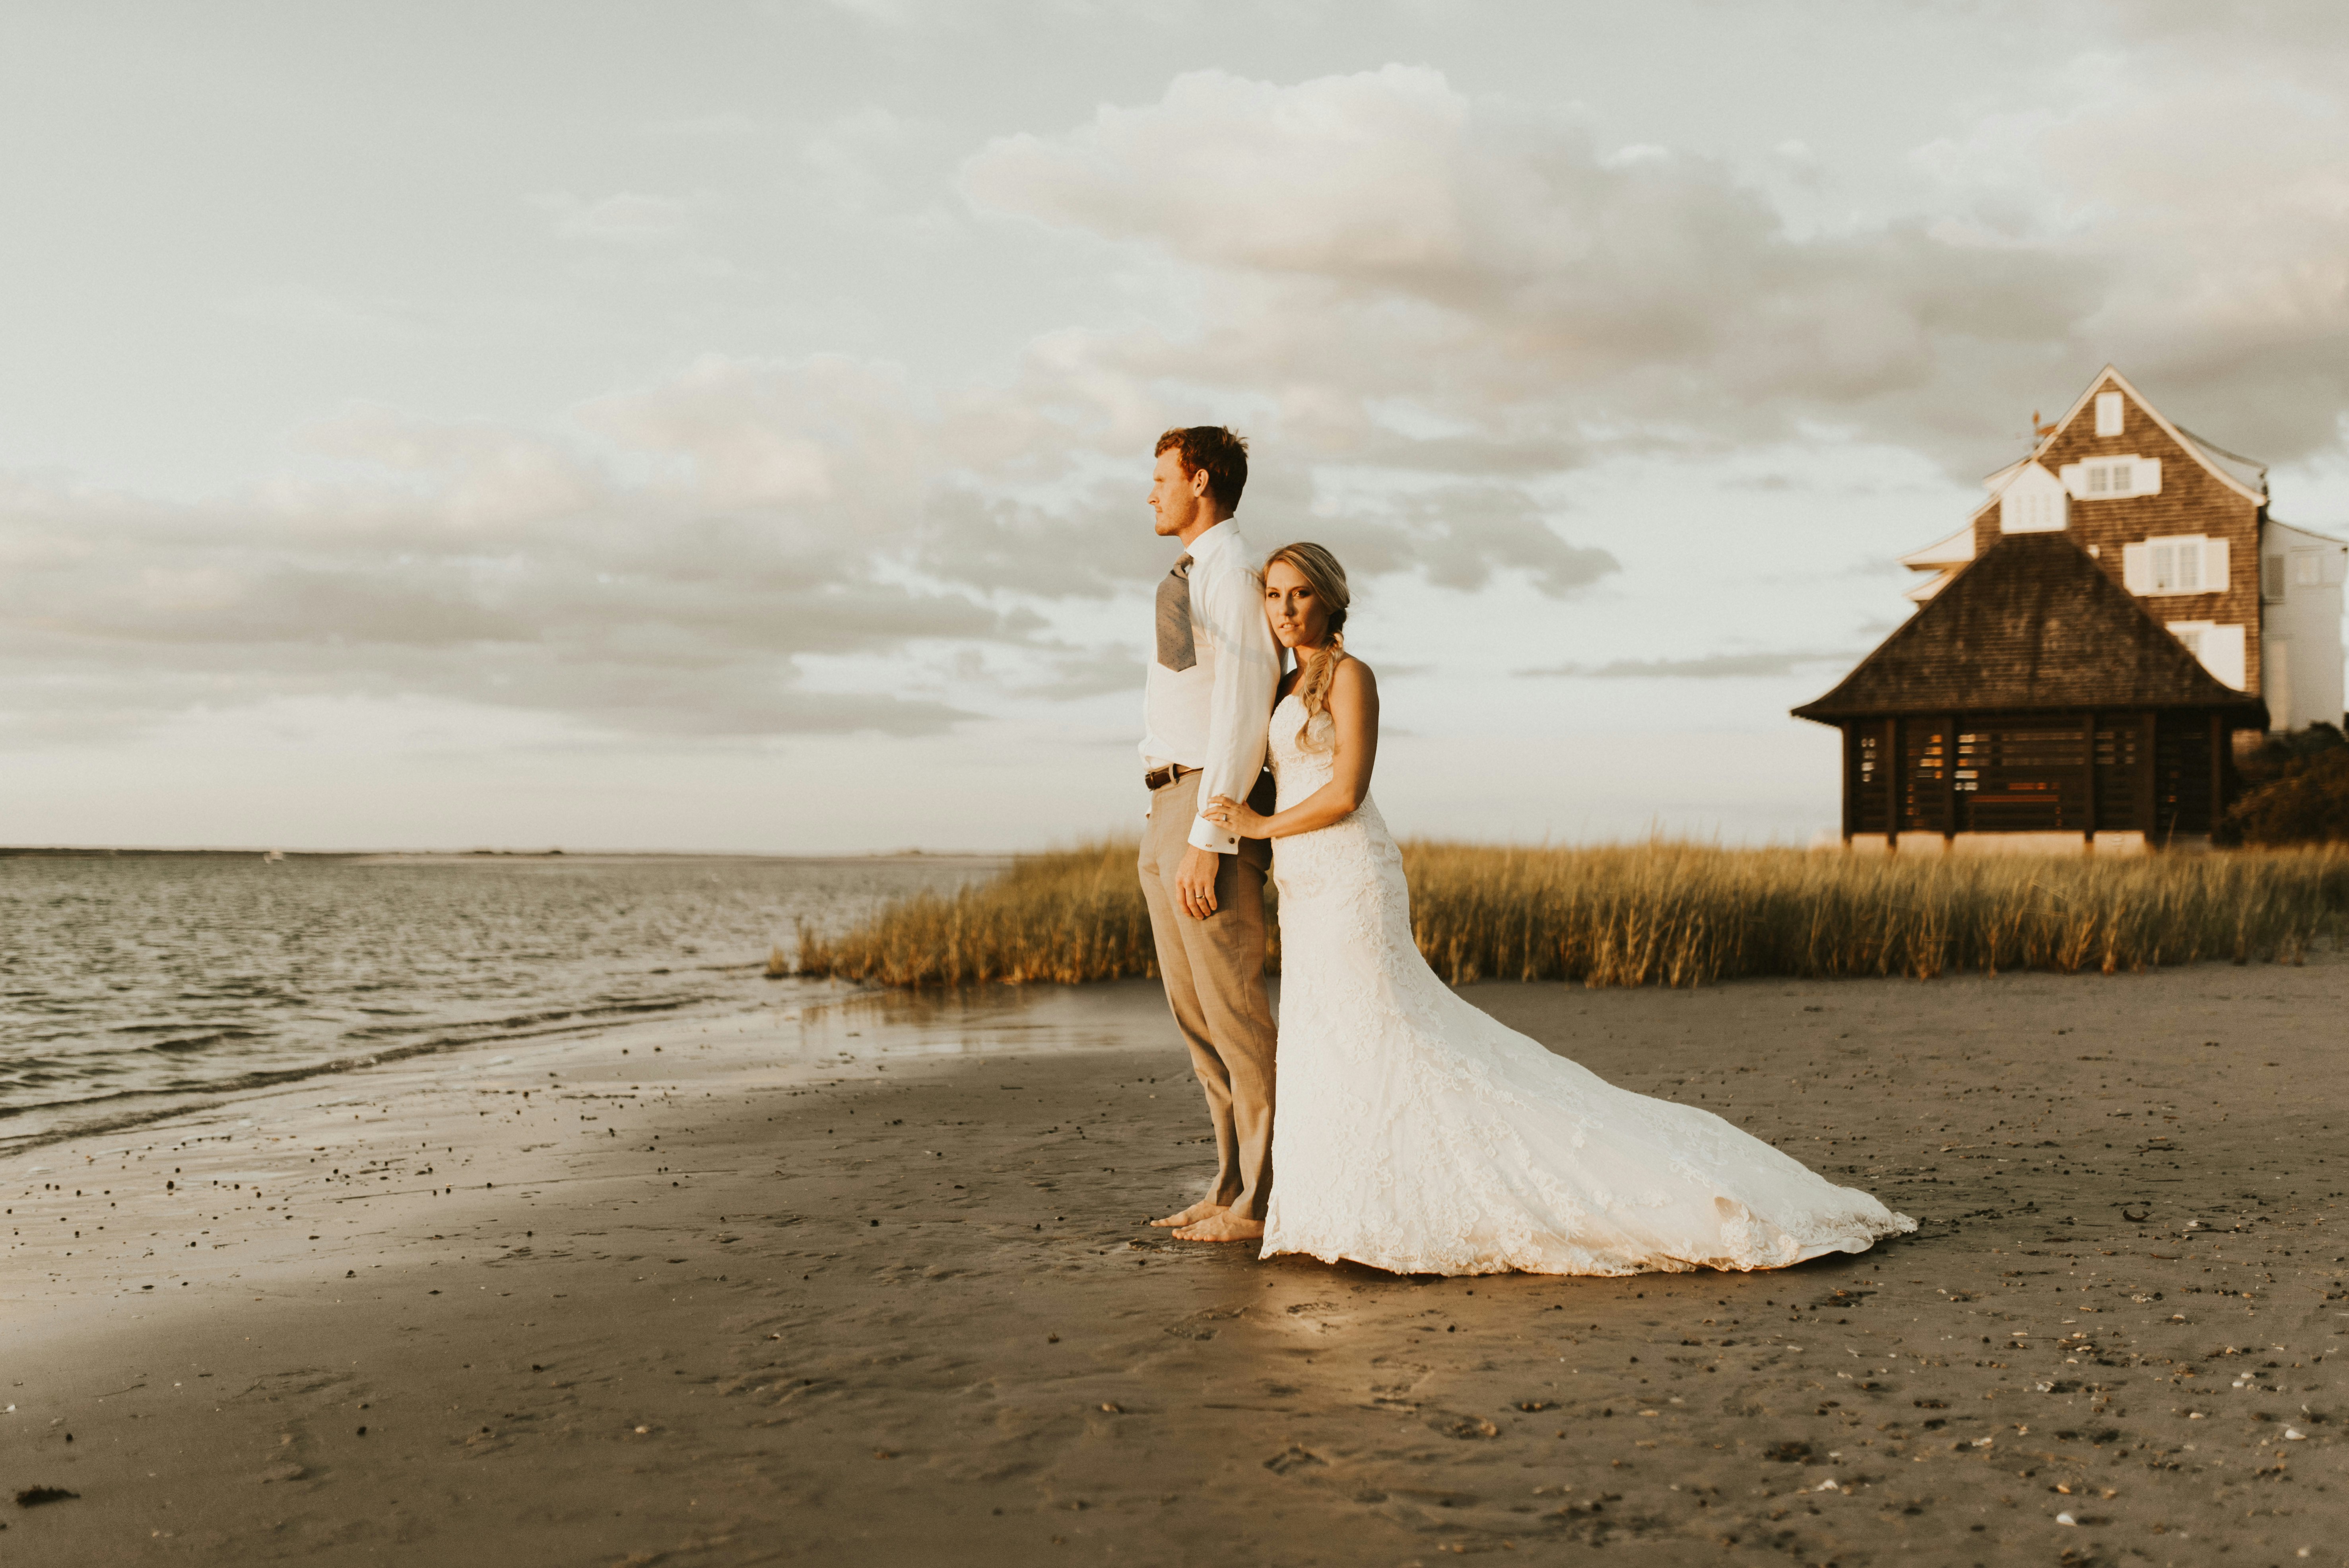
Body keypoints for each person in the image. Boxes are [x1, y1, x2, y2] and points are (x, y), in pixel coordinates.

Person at [1202, 543, 1914, 1275]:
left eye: (1300, 596)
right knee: (1331, 1032)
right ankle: (1339, 1203)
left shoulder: (1352, 678)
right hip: (1305, 884)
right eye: (1275, 597)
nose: (1286, 611)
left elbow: (1348, 789)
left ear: (1330, 601)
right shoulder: (1284, 687)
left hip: (1350, 874)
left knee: (1381, 1025)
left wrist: (1257, 828)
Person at [1135, 427, 1282, 1245]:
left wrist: (1208, 832)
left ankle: (1259, 1201)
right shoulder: (1191, 575)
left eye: (1160, 477)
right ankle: (1227, 1183)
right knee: (1195, 1018)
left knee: (1234, 1015)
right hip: (1166, 801)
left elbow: (1242, 708)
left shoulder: (1231, 573)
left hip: (1205, 805)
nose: (1150, 493)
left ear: (1198, 480)